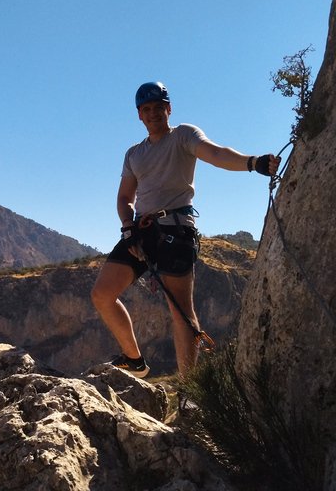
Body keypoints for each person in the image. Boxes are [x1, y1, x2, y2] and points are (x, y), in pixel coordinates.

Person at [91, 81, 281, 377]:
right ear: (139, 115)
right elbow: (124, 198)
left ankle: (188, 389)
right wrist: (128, 227)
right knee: (102, 294)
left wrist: (252, 163)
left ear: (168, 109)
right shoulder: (133, 154)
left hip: (176, 230)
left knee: (180, 311)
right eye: (146, 109)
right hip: (142, 231)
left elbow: (215, 154)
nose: (153, 114)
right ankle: (134, 360)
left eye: (158, 107)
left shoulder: (183, 136)